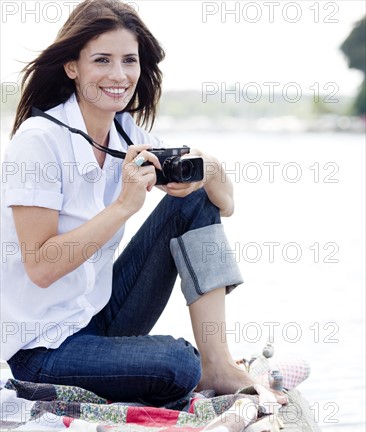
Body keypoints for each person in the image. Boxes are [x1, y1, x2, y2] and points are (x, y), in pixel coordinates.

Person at [1, 0, 287, 406]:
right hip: (42, 350)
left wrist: (211, 168)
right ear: (72, 66)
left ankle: (218, 363)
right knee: (176, 365)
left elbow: (223, 205)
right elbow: (41, 267)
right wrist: (122, 206)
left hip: (97, 318)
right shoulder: (38, 143)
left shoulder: (124, 131)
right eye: (102, 60)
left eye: (128, 61)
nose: (119, 75)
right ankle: (197, 366)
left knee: (192, 201)